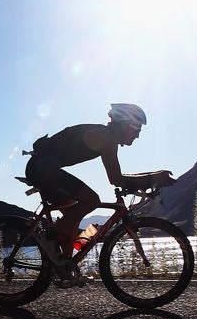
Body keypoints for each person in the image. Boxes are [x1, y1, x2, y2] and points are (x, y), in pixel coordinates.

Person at [25, 103, 175, 262]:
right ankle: (49, 237)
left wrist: (150, 177)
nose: (137, 135)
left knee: (71, 223)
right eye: (137, 130)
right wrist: (153, 177)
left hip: (43, 168)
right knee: (91, 200)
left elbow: (118, 178)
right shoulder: (106, 138)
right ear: (125, 125)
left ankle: (64, 267)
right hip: (43, 170)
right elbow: (116, 179)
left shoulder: (106, 136)